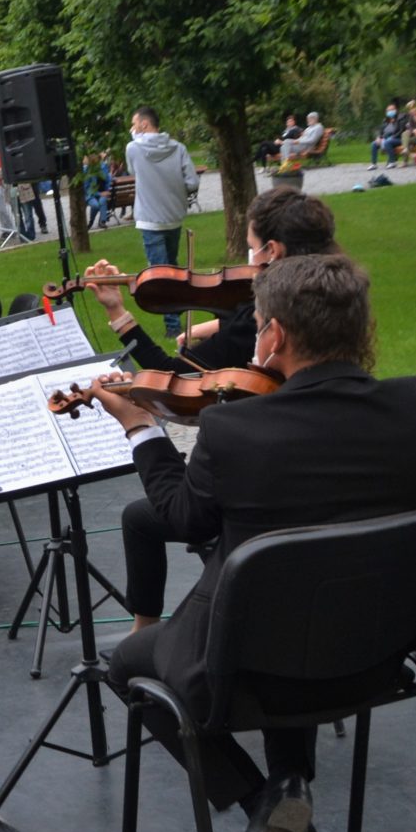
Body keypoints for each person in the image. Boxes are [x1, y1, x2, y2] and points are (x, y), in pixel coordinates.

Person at [97, 254, 416, 832]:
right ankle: (288, 785)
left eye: (260, 323)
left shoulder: (234, 429)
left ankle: (264, 801)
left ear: (276, 336)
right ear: (361, 331)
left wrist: (140, 429)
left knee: (128, 663)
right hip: (385, 658)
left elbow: (182, 516)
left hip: (248, 671)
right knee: (292, 621)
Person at [87, 188, 340, 632]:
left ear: (271, 251)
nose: (242, 263)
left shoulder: (240, 398)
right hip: (356, 588)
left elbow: (186, 513)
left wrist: (139, 424)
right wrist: (216, 324)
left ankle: (144, 637)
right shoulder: (336, 299)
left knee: (143, 519)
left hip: (269, 514)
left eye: (249, 246)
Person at [125, 107, 200, 336]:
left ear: (144, 124)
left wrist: (134, 138)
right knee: (172, 269)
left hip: (150, 219)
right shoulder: (178, 148)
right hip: (173, 216)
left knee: (159, 273)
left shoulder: (133, 148)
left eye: (134, 124)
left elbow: (132, 169)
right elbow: (192, 182)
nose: (132, 128)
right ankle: (178, 311)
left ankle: (173, 326)